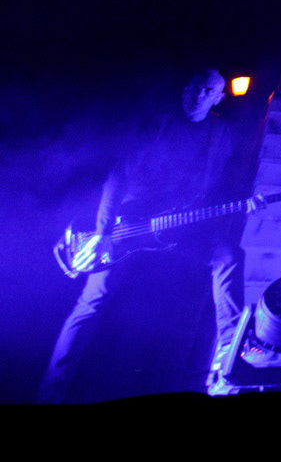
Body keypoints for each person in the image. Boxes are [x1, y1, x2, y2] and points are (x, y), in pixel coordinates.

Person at [40, 68, 247, 403]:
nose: (198, 95)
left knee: (229, 255)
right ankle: (50, 393)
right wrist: (104, 234)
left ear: (219, 98)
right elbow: (118, 176)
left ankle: (227, 355)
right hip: (130, 222)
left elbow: (212, 187)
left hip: (178, 224)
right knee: (91, 303)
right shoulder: (159, 124)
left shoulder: (222, 133)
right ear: (184, 90)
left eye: (208, 91)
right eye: (194, 88)